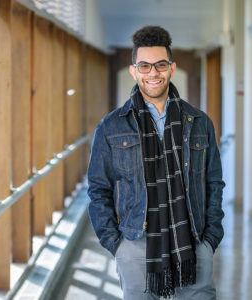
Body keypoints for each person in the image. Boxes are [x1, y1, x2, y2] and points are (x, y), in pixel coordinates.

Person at [87, 25, 225, 300]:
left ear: (172, 68)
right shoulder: (112, 126)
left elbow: (213, 183)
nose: (153, 72)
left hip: (194, 241)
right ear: (134, 70)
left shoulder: (199, 123)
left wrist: (210, 239)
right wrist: (117, 245)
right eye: (145, 65)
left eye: (160, 65)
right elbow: (98, 190)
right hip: (136, 243)